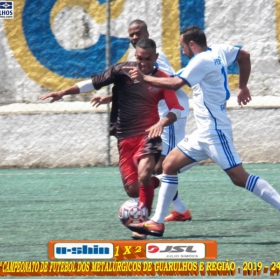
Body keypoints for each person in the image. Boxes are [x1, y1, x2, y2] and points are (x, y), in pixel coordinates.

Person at [125, 25, 280, 237]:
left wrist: (144, 79)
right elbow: (244, 55)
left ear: (191, 44)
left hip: (215, 131)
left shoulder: (200, 61)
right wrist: (243, 86)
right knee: (169, 165)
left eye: (182, 46)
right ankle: (157, 222)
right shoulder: (218, 50)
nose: (182, 51)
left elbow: (175, 83)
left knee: (240, 178)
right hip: (203, 132)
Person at [39, 38, 184, 239]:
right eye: (140, 58)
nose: (143, 63)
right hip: (124, 138)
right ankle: (162, 181)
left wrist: (160, 123)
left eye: (148, 59)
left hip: (148, 134)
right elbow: (93, 82)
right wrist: (64, 92)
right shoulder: (121, 70)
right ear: (135, 56)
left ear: (156, 57)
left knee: (143, 174)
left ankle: (143, 225)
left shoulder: (161, 79)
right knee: (133, 190)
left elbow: (176, 109)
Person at [91, 19, 194, 223]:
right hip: (155, 118)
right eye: (131, 34)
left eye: (139, 33)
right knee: (156, 169)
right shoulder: (138, 58)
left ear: (147, 33)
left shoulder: (155, 57)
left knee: (162, 167)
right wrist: (113, 97)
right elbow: (141, 88)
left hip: (168, 115)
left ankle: (200, 156)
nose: (135, 37)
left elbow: (167, 83)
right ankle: (179, 209)